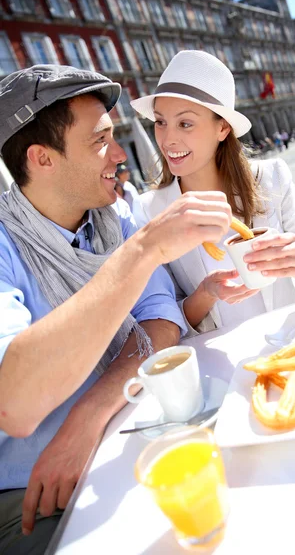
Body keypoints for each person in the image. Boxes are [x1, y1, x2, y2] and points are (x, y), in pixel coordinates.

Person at [0, 64, 232, 554]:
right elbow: (15, 407)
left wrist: (88, 413)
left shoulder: (112, 216)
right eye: (99, 141)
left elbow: (163, 316)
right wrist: (142, 249)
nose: (119, 155)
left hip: (128, 429)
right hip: (34, 492)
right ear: (42, 158)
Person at [130, 50, 295, 336]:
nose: (168, 139)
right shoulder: (150, 209)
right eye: (160, 122)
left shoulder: (271, 178)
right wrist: (206, 294)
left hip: (292, 343)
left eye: (185, 123)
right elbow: (162, 318)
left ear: (222, 127)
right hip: (219, 368)